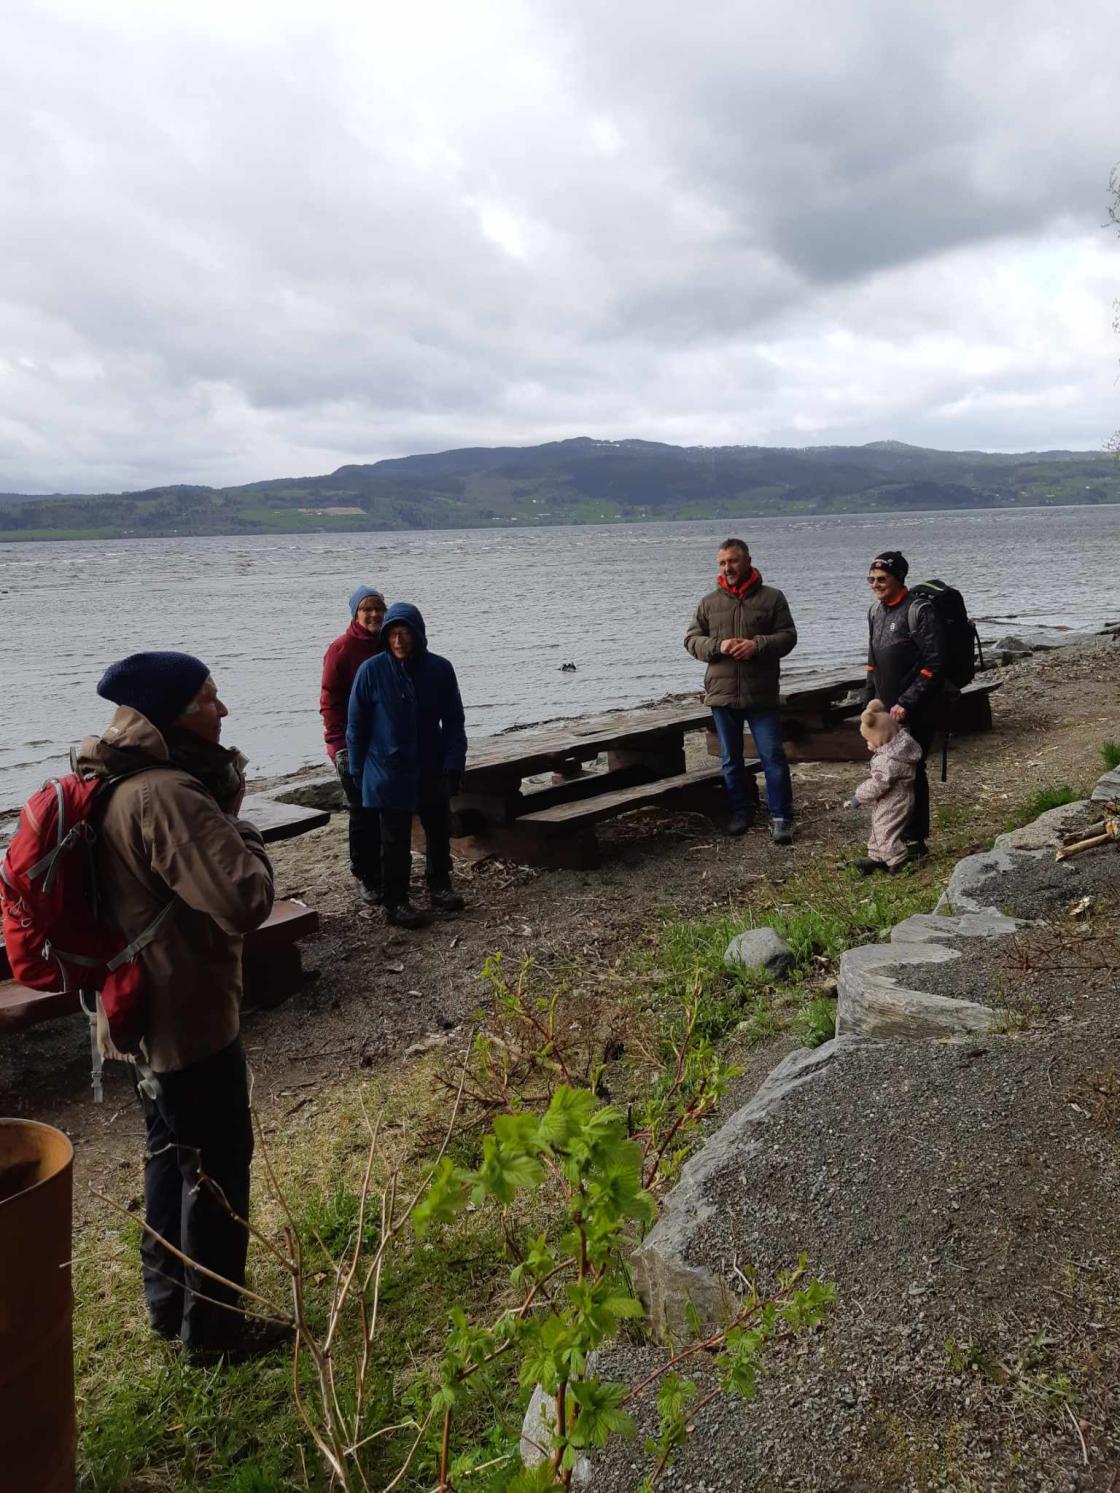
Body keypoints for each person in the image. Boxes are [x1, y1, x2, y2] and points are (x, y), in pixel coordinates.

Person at [77, 651, 287, 1364]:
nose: (221, 710)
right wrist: (246, 832)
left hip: (137, 1013)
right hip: (186, 1017)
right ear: (170, 712)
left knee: (169, 1155)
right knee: (218, 1169)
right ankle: (215, 1335)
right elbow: (244, 901)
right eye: (207, 698)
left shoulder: (110, 775)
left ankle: (168, 1304)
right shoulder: (168, 793)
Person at [347, 602, 468, 928]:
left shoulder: (439, 669)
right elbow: (356, 727)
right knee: (394, 840)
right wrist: (358, 772)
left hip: (431, 764)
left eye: (405, 633)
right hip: (388, 768)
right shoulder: (371, 672)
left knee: (438, 828)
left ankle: (440, 886)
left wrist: (454, 766)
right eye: (393, 635)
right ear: (385, 638)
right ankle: (396, 902)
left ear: (418, 635)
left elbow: (455, 722)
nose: (398, 641)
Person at [684, 537, 798, 844]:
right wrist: (717, 645)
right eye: (722, 562)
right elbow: (691, 641)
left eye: (733, 561)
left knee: (772, 755)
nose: (727, 567)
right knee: (730, 759)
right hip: (721, 695)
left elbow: (788, 637)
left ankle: (782, 817)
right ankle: (740, 812)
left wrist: (757, 645)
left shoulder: (772, 598)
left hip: (761, 694)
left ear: (747, 561)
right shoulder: (709, 602)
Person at [863, 551, 946, 859]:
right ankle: (888, 840)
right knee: (885, 771)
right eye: (871, 579)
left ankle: (915, 840)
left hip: (917, 708)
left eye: (882, 579)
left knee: (910, 770)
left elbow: (935, 662)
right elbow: (872, 660)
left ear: (899, 579)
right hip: (885, 710)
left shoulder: (919, 611)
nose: (875, 584)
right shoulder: (875, 612)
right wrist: (868, 701)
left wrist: (908, 701)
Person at [320, 585, 386, 904]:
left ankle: (385, 868)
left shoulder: (391, 642)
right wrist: (337, 745)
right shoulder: (341, 649)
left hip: (386, 742)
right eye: (367, 609)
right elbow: (330, 700)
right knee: (362, 810)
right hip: (352, 743)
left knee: (387, 806)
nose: (374, 614)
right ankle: (365, 876)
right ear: (355, 614)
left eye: (379, 608)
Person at [846, 699, 923, 874]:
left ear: (882, 738)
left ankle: (898, 860)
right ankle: (876, 856)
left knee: (886, 830)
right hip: (896, 798)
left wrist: (859, 796)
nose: (867, 744)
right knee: (878, 826)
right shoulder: (900, 748)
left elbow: (878, 783)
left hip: (894, 801)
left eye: (868, 740)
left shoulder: (887, 760)